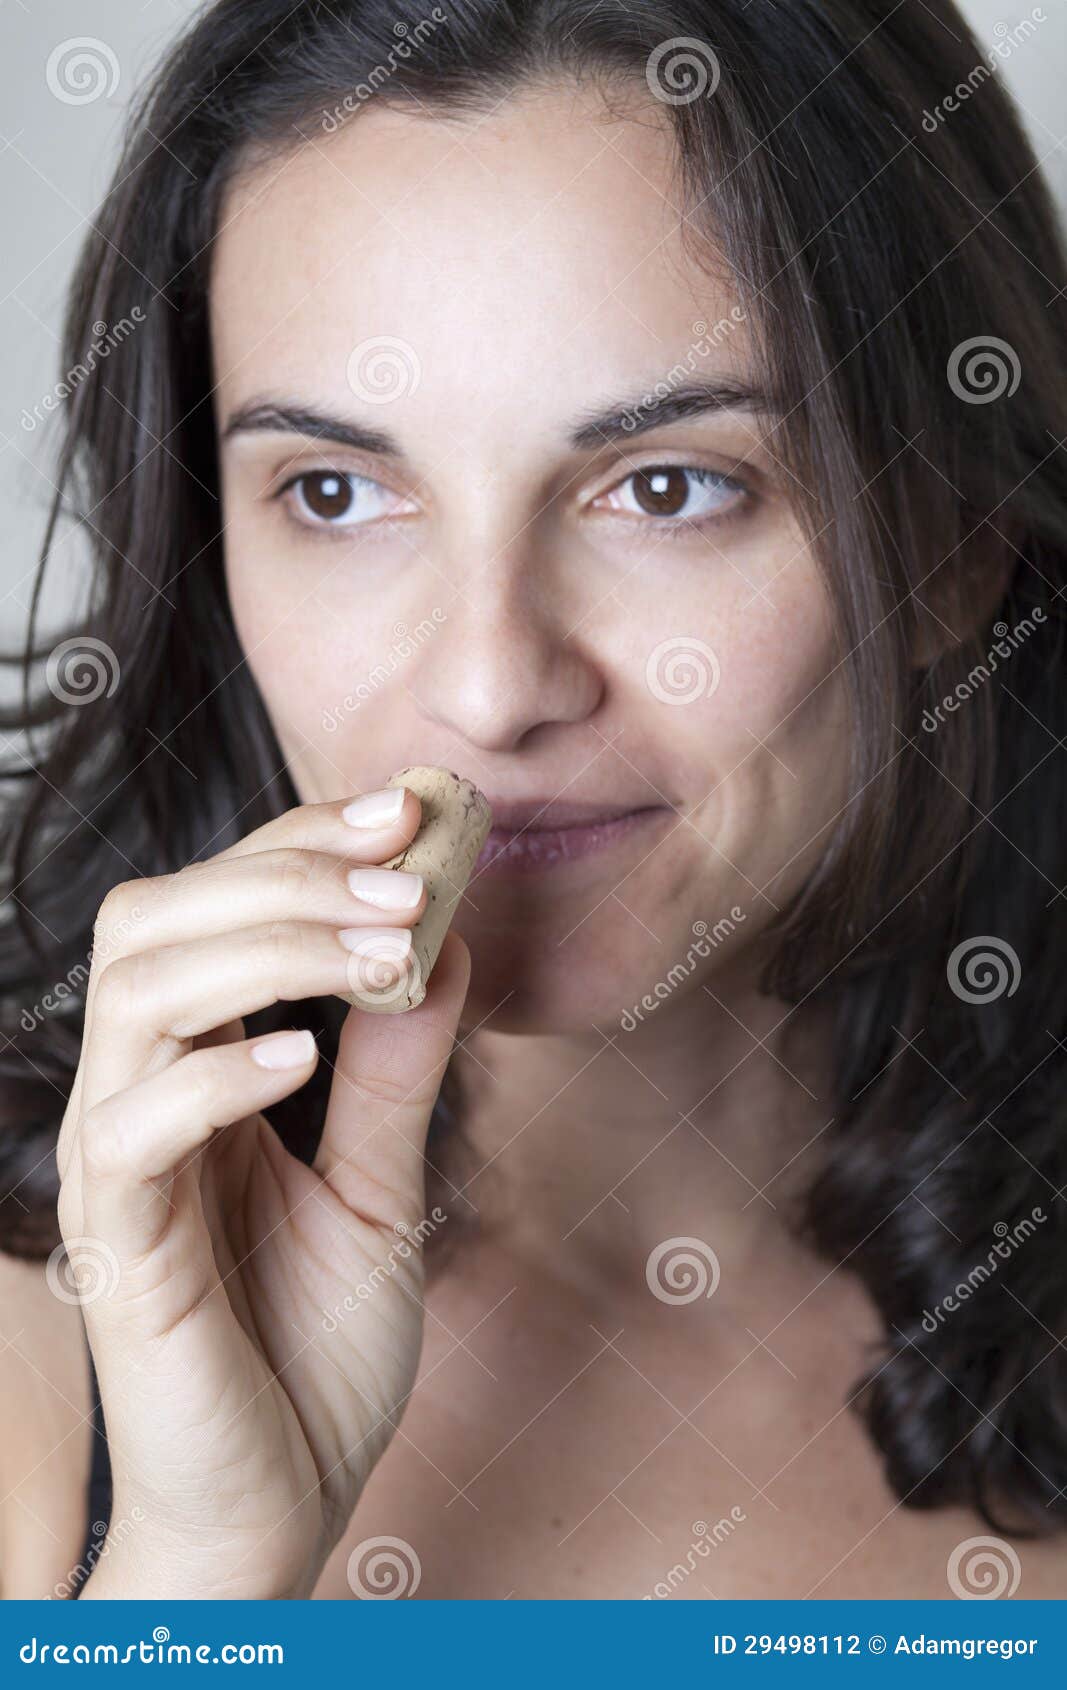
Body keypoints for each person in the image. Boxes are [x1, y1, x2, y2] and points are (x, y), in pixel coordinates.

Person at [1, 0, 1065, 1600]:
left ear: (950, 541)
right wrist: (199, 1568)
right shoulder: (39, 1349)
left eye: (666, 487)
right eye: (338, 492)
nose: (492, 685)